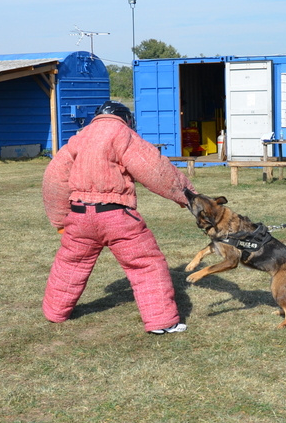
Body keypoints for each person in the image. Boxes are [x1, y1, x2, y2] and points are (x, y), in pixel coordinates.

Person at [42, 101, 194, 335]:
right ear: (126, 119)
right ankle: (162, 322)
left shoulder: (79, 138)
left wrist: (60, 220)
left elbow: (54, 178)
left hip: (80, 216)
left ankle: (55, 313)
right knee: (146, 264)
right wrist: (186, 196)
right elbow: (153, 169)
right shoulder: (122, 134)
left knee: (70, 263)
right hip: (117, 215)